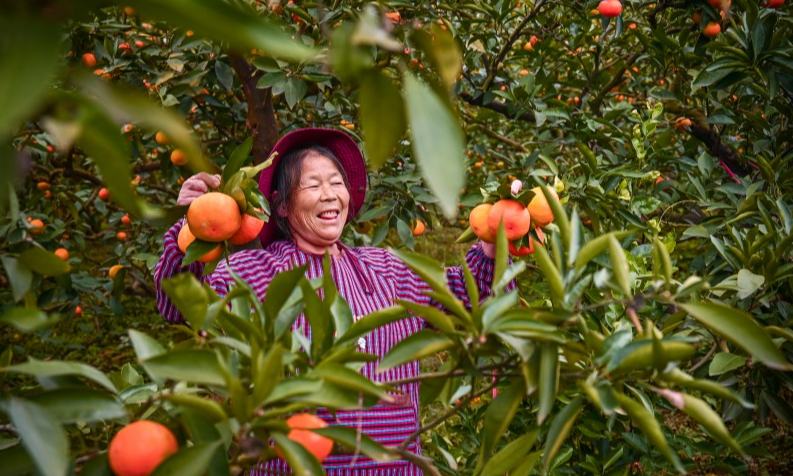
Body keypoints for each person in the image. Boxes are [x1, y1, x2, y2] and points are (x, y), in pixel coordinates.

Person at [154, 127, 499, 475]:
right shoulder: (255, 273)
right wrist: (193, 226)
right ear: (283, 206)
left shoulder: (388, 269)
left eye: (336, 183)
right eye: (312, 185)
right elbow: (181, 305)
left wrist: (494, 237)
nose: (329, 195)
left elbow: (465, 295)